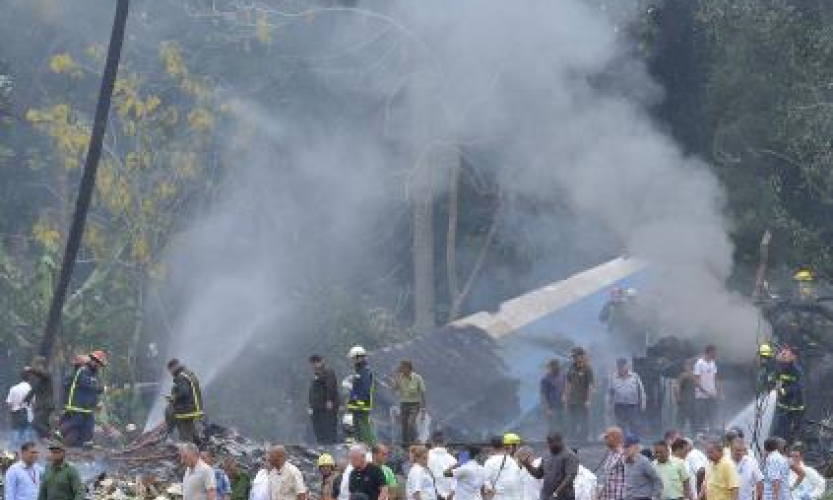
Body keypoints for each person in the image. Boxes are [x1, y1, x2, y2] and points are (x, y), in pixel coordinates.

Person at [58, 350, 107, 447]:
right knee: (77, 421)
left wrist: (96, 402)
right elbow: (87, 385)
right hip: (77, 405)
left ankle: (86, 444)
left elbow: (91, 392)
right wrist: (101, 388)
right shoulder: (83, 370)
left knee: (90, 423)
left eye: (100, 364)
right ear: (93, 361)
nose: (99, 366)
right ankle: (58, 433)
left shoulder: (93, 374)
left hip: (86, 407)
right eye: (98, 363)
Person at [520, 433, 580, 500]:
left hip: (564, 497)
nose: (550, 445)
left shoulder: (570, 455)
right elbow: (538, 474)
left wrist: (555, 494)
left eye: (552, 442)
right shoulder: (547, 455)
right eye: (549, 442)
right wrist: (527, 465)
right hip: (546, 496)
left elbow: (570, 477)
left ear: (560, 441)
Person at [166, 359, 205, 444]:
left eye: (170, 370)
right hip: (195, 409)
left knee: (185, 436)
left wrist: (173, 398)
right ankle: (200, 446)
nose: (170, 373)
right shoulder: (189, 373)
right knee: (191, 430)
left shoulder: (180, 377)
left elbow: (184, 392)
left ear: (173, 368)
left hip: (186, 410)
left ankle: (188, 450)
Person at [771, 346, 804, 444]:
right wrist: (775, 387)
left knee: (791, 432)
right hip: (782, 404)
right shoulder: (780, 367)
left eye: (787, 354)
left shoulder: (797, 371)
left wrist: (783, 391)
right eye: (783, 354)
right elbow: (776, 380)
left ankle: (789, 447)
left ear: (793, 357)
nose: (784, 356)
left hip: (795, 406)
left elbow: (797, 386)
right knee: (779, 430)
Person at [346, 346, 377, 446]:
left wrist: (359, 402)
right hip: (356, 405)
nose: (352, 361)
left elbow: (365, 388)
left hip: (361, 406)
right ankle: (361, 446)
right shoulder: (359, 371)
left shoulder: (365, 371)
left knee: (364, 427)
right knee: (357, 428)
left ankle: (371, 447)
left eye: (354, 358)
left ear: (360, 358)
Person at [392, 361, 427, 447]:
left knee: (410, 423)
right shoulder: (400, 377)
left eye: (403, 367)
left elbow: (422, 393)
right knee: (403, 425)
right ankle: (405, 445)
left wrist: (423, 409)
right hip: (404, 404)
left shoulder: (417, 378)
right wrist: (396, 377)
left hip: (415, 404)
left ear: (408, 368)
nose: (401, 369)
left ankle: (415, 441)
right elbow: (394, 389)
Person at [564, 347, 595, 442]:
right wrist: (565, 396)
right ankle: (572, 439)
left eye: (575, 356)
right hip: (572, 400)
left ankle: (584, 440)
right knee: (572, 420)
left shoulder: (587, 369)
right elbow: (568, 383)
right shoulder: (571, 368)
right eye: (573, 356)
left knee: (583, 420)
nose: (574, 358)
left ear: (581, 356)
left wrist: (588, 400)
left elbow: (590, 386)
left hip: (583, 400)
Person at [609, 359, 646, 437]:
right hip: (619, 405)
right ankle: (623, 441)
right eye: (620, 366)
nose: (621, 368)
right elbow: (610, 392)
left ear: (627, 366)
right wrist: (609, 406)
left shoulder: (635, 376)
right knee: (620, 425)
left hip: (632, 405)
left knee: (634, 424)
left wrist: (643, 404)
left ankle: (635, 442)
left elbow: (641, 391)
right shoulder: (613, 377)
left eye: (623, 366)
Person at [309, 355, 340, 445]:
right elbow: (313, 392)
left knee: (329, 429)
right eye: (313, 362)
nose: (315, 364)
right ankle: (322, 446)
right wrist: (311, 406)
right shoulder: (316, 375)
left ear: (323, 361)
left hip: (326, 407)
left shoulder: (328, 372)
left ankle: (331, 448)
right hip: (317, 408)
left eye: (317, 361)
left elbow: (331, 386)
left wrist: (329, 400)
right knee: (319, 430)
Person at [622, 435, 663, 500]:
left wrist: (655, 497)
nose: (625, 449)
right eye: (624, 447)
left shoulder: (644, 462)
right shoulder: (625, 462)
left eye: (628, 447)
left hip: (643, 497)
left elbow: (657, 480)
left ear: (636, 447)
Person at [483, 435, 522, 500]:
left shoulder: (489, 462)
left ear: (492, 447)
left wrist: (489, 493)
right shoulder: (513, 461)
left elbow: (485, 480)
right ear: (505, 446)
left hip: (498, 496)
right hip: (514, 496)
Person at [26, 356, 55, 440]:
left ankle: (51, 435)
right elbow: (34, 390)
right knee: (44, 423)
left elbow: (41, 374)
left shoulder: (46, 374)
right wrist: (26, 400)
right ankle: (47, 441)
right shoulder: (39, 378)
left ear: (40, 365)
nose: (35, 367)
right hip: (41, 405)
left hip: (45, 405)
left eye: (36, 365)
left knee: (36, 423)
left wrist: (31, 369)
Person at [693, 346, 720, 434]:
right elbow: (696, 382)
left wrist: (718, 392)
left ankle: (711, 435)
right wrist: (707, 393)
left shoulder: (713, 363)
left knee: (712, 417)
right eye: (714, 352)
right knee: (701, 418)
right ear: (708, 352)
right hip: (701, 397)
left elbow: (715, 378)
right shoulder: (699, 363)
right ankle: (699, 436)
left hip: (712, 396)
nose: (715, 354)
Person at [7, 370, 34, 447]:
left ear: (21, 378)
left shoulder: (13, 388)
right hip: (27, 414)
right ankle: (27, 454)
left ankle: (14, 452)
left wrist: (11, 414)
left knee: (16, 432)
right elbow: (33, 403)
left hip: (15, 413)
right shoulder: (30, 389)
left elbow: (9, 403)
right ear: (29, 378)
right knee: (26, 434)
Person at [598, 427, 626, 500]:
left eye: (607, 437)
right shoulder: (611, 454)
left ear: (615, 437)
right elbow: (608, 479)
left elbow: (634, 475)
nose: (605, 440)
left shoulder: (624, 454)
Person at [427, 432, 456, 500]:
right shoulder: (453, 459)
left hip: (432, 496)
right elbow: (455, 480)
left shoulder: (425, 457)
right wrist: (450, 495)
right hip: (450, 497)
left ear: (431, 442)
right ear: (445, 443)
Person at [540, 359, 565, 434]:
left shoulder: (563, 377)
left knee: (562, 426)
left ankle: (562, 442)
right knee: (552, 427)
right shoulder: (545, 380)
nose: (556, 368)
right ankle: (551, 442)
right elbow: (543, 395)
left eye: (557, 366)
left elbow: (566, 390)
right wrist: (547, 408)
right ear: (550, 368)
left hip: (561, 405)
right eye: (553, 366)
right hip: (551, 406)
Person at [674, 361, 696, 434]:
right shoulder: (683, 375)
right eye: (687, 366)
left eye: (691, 365)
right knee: (681, 421)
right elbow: (676, 387)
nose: (689, 367)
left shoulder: (695, 375)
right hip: (685, 402)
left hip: (693, 402)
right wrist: (678, 398)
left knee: (693, 422)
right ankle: (678, 437)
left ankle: (694, 436)